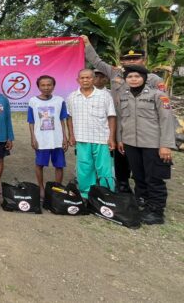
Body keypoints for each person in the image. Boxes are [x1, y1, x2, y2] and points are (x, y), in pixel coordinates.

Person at [81, 35, 165, 193]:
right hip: (119, 123)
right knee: (121, 157)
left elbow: (163, 109)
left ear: (143, 60)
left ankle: (145, 194)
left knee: (145, 164)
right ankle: (123, 185)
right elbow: (96, 61)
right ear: (122, 62)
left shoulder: (154, 79)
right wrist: (86, 44)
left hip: (145, 126)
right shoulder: (115, 74)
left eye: (136, 59)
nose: (132, 62)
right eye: (128, 59)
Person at [116, 65, 176, 225]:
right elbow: (121, 120)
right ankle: (142, 202)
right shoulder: (123, 96)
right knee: (138, 176)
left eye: (137, 76)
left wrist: (166, 145)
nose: (133, 79)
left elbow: (167, 120)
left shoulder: (159, 96)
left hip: (153, 144)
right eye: (130, 77)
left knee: (154, 178)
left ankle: (156, 211)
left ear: (144, 78)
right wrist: (120, 139)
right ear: (125, 79)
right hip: (130, 143)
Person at [67, 69, 116, 199]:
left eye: (88, 78)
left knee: (104, 169)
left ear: (93, 79)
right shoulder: (72, 97)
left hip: (101, 138)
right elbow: (70, 118)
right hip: (82, 138)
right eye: (82, 78)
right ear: (78, 80)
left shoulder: (105, 96)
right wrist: (71, 135)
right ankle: (86, 194)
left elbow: (111, 117)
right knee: (84, 168)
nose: (85, 80)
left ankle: (106, 194)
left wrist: (111, 138)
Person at [27, 75, 69, 199]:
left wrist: (64, 137)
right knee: (39, 164)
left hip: (57, 139)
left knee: (59, 165)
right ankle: (41, 188)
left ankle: (57, 188)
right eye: (43, 85)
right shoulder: (33, 101)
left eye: (49, 85)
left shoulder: (59, 100)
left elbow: (62, 120)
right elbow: (31, 121)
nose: (46, 87)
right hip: (41, 140)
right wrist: (33, 138)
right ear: (38, 86)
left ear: (53, 86)